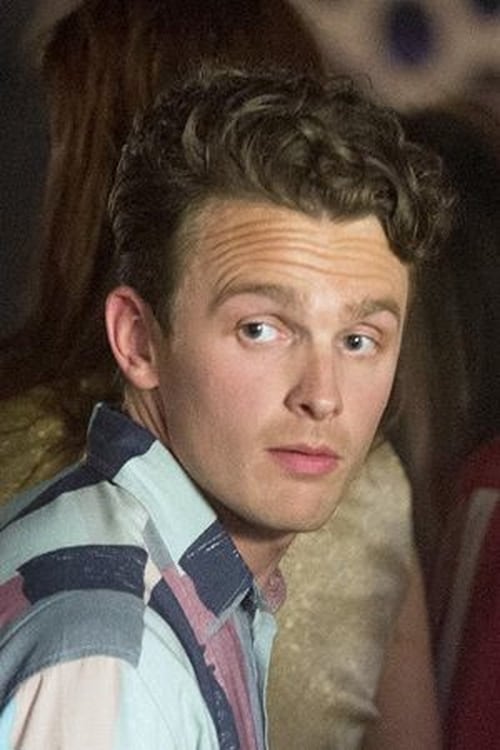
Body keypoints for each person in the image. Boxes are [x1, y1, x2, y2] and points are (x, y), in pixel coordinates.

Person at [0, 65, 449, 748]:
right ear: (138, 340)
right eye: (260, 329)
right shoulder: (115, 657)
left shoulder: (164, 584)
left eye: (359, 340)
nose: (321, 395)